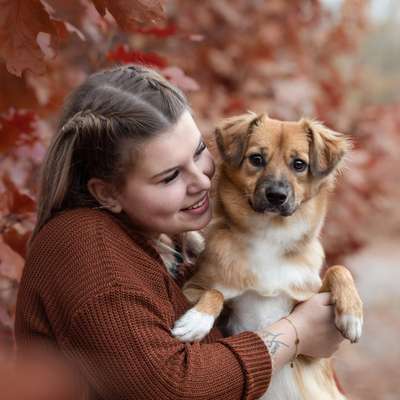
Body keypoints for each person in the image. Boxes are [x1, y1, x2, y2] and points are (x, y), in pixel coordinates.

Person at [14, 65, 344, 400]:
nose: (202, 181)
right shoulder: (86, 251)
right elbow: (173, 388)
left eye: (199, 152)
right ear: (107, 194)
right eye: (170, 176)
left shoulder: (168, 240)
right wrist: (295, 333)